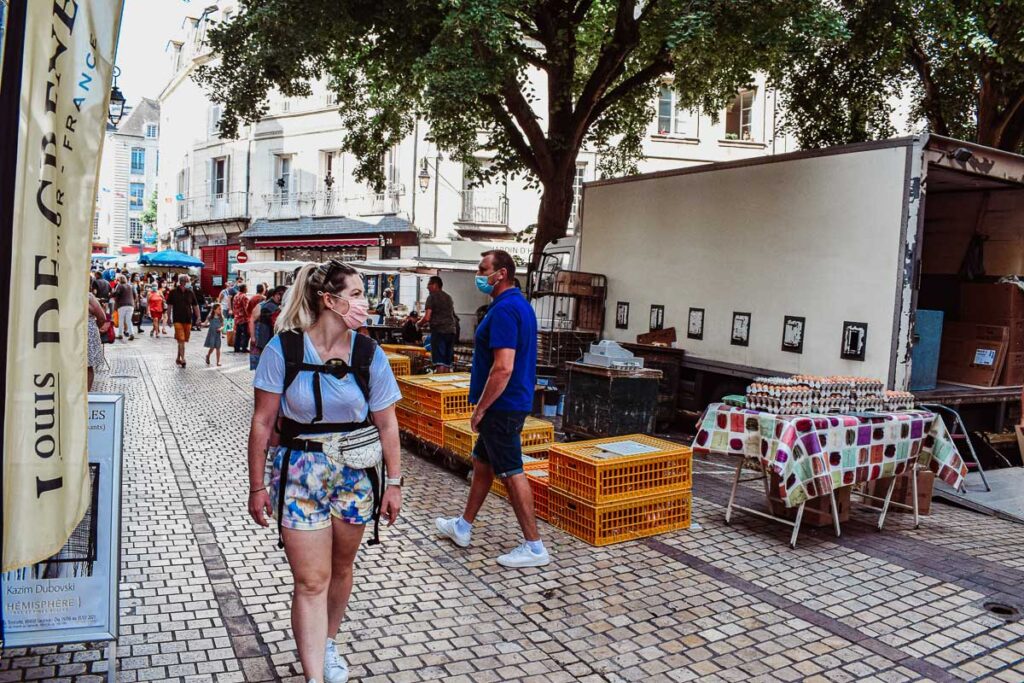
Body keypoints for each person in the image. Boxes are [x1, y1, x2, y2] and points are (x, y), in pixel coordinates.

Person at [247, 260, 403, 683]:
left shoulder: (369, 353)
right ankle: (315, 676)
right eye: (354, 294)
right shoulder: (285, 350)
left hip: (355, 473)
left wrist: (394, 483)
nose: (362, 303)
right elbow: (263, 421)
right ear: (328, 300)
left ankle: (328, 641)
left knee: (341, 567)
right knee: (311, 580)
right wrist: (256, 485)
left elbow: (387, 422)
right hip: (300, 472)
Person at [435, 250, 547, 568]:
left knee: (512, 472)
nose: (479, 274)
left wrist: (481, 408)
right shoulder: (517, 306)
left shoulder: (505, 311)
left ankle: (535, 546)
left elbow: (503, 368)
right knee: (482, 464)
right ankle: (463, 526)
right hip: (509, 402)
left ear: (502, 274)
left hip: (502, 405)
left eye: (483, 268)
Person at [419, 276, 457, 372]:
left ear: (435, 285)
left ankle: (438, 382)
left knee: (439, 361)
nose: (427, 287)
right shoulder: (448, 297)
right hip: (451, 331)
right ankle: (445, 384)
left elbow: (427, 317)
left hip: (439, 331)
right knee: (447, 362)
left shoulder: (432, 297)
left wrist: (418, 323)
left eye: (429, 284)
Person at [167, 274, 200, 368]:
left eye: (188, 281)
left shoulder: (190, 292)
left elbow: (195, 306)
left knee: (182, 340)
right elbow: (169, 306)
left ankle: (178, 358)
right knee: (181, 339)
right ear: (181, 282)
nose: (188, 283)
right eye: (186, 281)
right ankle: (183, 359)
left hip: (188, 319)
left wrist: (198, 317)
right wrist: (169, 318)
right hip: (177, 319)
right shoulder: (173, 292)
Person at [249, 285, 285, 371]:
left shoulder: (277, 307)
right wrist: (253, 337)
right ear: (275, 295)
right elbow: (252, 321)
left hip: (264, 339)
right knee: (262, 364)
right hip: (262, 338)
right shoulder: (264, 306)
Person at [87, 286, 111, 390]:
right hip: (87, 332)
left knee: (86, 365)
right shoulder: (88, 296)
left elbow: (102, 318)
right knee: (87, 366)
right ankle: (85, 395)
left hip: (84, 334)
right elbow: (102, 317)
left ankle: (84, 395)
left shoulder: (88, 296)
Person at [112, 274, 136, 342]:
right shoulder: (130, 286)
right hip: (131, 305)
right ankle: (131, 334)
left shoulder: (119, 286)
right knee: (128, 320)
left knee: (121, 320)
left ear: (119, 280)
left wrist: (111, 294)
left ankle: (120, 334)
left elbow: (117, 293)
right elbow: (135, 295)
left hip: (122, 305)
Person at [233, 283, 251, 353]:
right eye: (246, 288)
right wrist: (249, 317)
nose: (247, 289)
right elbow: (246, 308)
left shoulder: (236, 296)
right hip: (243, 318)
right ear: (244, 288)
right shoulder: (244, 297)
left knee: (238, 334)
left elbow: (234, 307)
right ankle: (244, 347)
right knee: (246, 334)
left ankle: (236, 347)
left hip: (237, 318)